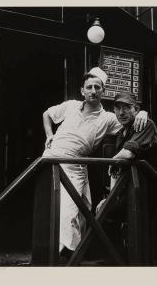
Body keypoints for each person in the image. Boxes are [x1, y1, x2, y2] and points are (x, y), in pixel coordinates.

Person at [42, 67, 149, 254]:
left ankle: (68, 255)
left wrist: (143, 113)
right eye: (89, 87)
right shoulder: (71, 105)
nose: (93, 91)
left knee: (75, 211)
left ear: (103, 91)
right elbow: (47, 115)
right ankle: (62, 253)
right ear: (82, 91)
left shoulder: (109, 118)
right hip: (50, 159)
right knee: (51, 208)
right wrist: (49, 135)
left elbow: (132, 121)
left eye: (97, 87)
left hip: (75, 167)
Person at [96, 91, 157, 215]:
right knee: (99, 209)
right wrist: (110, 198)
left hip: (148, 193)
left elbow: (128, 154)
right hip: (129, 191)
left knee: (105, 212)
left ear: (136, 110)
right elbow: (117, 173)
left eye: (127, 107)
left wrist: (112, 162)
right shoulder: (121, 134)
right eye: (118, 108)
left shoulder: (146, 124)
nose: (121, 112)